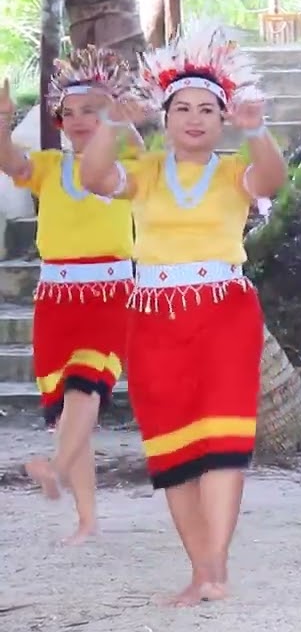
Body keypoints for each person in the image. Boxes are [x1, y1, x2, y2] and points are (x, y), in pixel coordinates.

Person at [80, 21, 285, 606]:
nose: (194, 118)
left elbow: (272, 178)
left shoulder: (232, 172)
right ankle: (200, 571)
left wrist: (258, 131)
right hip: (152, 320)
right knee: (173, 451)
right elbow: (94, 175)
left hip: (223, 314)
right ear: (165, 118)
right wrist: (115, 121)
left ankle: (215, 568)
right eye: (182, 108)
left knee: (223, 444)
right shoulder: (144, 174)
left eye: (207, 109)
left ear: (222, 120)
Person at [0, 48, 140, 544]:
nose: (80, 120)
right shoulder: (48, 166)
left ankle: (56, 467)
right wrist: (2, 120)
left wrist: (123, 122)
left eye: (93, 110)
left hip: (110, 293)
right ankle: (87, 518)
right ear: (58, 122)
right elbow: (9, 161)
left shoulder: (125, 163)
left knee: (86, 385)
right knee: (66, 408)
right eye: (72, 111)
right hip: (56, 298)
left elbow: (140, 149)